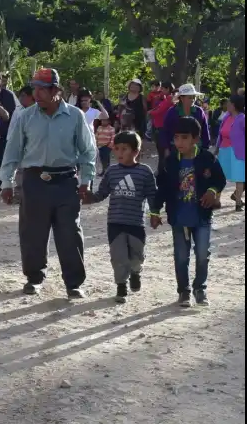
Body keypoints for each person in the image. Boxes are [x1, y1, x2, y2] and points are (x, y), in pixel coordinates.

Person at [0, 69, 97, 298]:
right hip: (34, 181)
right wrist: (6, 182)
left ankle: (73, 283)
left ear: (57, 91)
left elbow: (87, 151)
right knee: (32, 233)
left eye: (43, 89)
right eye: (35, 89)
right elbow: (12, 151)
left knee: (70, 233)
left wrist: (86, 181)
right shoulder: (25, 117)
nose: (37, 94)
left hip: (65, 181)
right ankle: (34, 278)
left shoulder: (75, 116)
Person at [151, 117, 226, 307]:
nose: (179, 143)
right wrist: (154, 211)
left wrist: (212, 191)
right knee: (181, 256)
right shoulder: (170, 162)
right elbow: (163, 188)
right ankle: (183, 291)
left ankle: (200, 288)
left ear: (195, 138)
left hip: (201, 216)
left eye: (184, 138)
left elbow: (220, 180)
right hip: (179, 218)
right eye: (176, 138)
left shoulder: (207, 158)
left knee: (202, 254)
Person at [84, 131, 157, 303]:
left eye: (124, 149)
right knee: (118, 256)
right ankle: (121, 286)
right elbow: (102, 193)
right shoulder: (112, 171)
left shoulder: (144, 172)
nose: (119, 153)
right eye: (116, 149)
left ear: (135, 151)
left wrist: (154, 214)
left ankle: (135, 273)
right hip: (115, 222)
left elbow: (152, 195)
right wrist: (89, 197)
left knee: (137, 256)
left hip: (136, 223)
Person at [160, 83, 211, 158]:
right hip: (176, 148)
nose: (193, 100)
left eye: (194, 97)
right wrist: (166, 149)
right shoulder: (172, 112)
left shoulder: (199, 111)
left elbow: (204, 130)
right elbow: (165, 131)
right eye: (190, 97)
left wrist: (206, 147)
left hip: (196, 148)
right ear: (182, 98)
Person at [216, 94, 245, 211]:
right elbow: (220, 134)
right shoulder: (226, 116)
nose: (226, 104)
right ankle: (216, 201)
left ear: (234, 105)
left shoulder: (242, 118)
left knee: (239, 177)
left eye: (229, 102)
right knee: (219, 176)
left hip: (238, 151)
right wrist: (217, 148)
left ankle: (238, 203)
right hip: (224, 150)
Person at [0, 71, 17, 195]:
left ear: (1, 81)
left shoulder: (7, 95)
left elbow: (12, 114)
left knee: (0, 159)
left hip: (2, 132)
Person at [148, 82, 175, 157]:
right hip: (159, 125)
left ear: (168, 89)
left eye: (162, 88)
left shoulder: (169, 98)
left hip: (163, 125)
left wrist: (151, 113)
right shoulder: (165, 98)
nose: (161, 90)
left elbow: (160, 110)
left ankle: (164, 166)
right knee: (161, 148)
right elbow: (158, 108)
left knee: (163, 148)